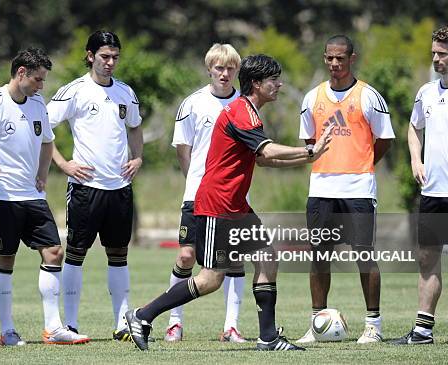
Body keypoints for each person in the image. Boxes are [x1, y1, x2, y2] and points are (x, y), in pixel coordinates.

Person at [124, 54, 333, 351]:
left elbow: (263, 159)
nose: (280, 84)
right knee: (210, 280)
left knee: (267, 258)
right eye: (274, 80)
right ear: (257, 84)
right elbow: (269, 151)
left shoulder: (250, 111)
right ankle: (142, 315)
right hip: (218, 204)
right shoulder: (241, 112)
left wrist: (305, 156)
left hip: (236, 205)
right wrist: (310, 153)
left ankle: (268, 337)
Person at [0, 48, 90, 346]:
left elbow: (47, 142)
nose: (42, 86)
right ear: (21, 73)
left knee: (54, 251)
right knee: (6, 258)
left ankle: (53, 329)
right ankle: (7, 330)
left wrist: (43, 173)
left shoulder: (38, 103)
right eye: (38, 79)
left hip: (32, 195)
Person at [296, 35, 395, 345]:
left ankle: (373, 326)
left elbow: (385, 140)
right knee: (318, 257)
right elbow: (309, 144)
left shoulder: (369, 96)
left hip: (359, 190)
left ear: (353, 58)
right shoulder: (312, 98)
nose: (334, 64)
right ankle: (317, 323)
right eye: (329, 58)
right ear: (324, 59)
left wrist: (363, 163)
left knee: (364, 256)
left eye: (340, 58)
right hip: (321, 189)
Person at [47, 30, 143, 341]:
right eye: (104, 56)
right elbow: (42, 128)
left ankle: (122, 324)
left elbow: (136, 127)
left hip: (119, 187)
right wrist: (63, 164)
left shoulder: (126, 93)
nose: (110, 62)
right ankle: (71, 324)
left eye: (115, 56)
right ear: (90, 56)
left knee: (119, 254)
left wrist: (138, 157)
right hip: (85, 188)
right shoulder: (74, 91)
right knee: (76, 253)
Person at [165, 43, 247, 343]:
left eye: (230, 69)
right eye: (219, 68)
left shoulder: (244, 105)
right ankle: (174, 321)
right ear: (209, 69)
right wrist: (198, 184)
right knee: (187, 256)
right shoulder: (192, 104)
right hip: (197, 196)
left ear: (237, 70)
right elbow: (183, 151)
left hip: (235, 198)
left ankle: (232, 326)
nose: (225, 74)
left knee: (232, 260)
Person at [392, 25, 448, 345]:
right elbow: (413, 128)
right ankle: (422, 331)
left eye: (442, 54)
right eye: (433, 53)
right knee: (427, 260)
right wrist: (415, 160)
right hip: (432, 193)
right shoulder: (426, 92)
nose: (436, 59)